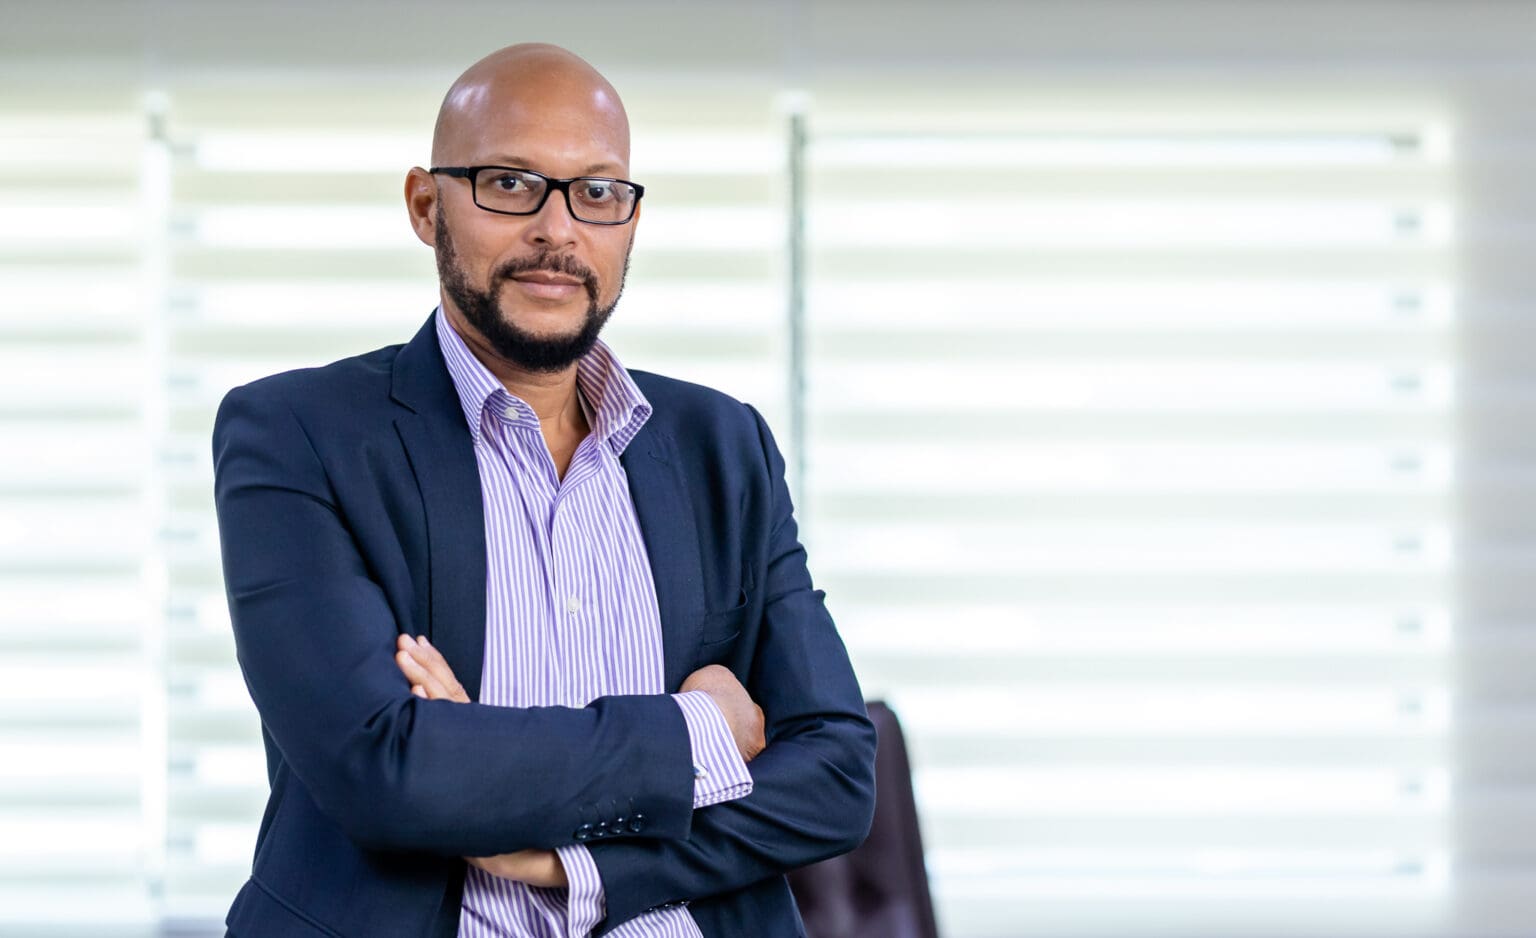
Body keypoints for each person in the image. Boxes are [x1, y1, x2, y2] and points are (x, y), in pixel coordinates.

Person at [210, 42, 876, 938]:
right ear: (426, 205)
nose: (557, 231)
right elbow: (386, 771)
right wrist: (699, 732)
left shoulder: (723, 446)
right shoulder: (297, 433)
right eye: (509, 183)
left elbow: (836, 777)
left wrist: (567, 857)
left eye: (596, 192)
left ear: (629, 221)